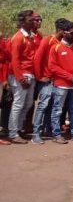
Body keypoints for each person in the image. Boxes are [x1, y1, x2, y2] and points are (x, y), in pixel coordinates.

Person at [48, 20, 73, 144]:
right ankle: (56, 134)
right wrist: (71, 77)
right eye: (72, 33)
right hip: (62, 85)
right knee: (58, 110)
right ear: (64, 33)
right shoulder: (56, 47)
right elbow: (53, 67)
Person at [29, 18, 66, 144]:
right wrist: (40, 77)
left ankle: (48, 129)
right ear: (61, 30)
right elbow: (37, 59)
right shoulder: (47, 40)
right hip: (46, 79)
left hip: (57, 79)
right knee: (43, 105)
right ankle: (36, 134)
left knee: (53, 106)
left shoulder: (62, 42)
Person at [8, 10, 41, 144]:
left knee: (27, 104)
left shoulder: (31, 36)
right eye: (30, 20)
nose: (34, 22)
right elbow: (14, 60)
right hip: (21, 75)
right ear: (22, 22)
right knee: (18, 104)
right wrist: (21, 78)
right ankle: (13, 133)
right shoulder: (18, 38)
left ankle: (19, 129)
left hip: (30, 74)